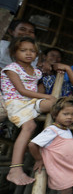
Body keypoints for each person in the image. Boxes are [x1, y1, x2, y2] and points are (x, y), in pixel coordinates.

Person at [1, 37, 56, 185]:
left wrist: (49, 99)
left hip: (30, 102)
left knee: (56, 105)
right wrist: (46, 96)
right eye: (23, 50)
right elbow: (22, 90)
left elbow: (35, 89)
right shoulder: (12, 68)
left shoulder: (35, 71)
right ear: (14, 52)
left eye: (32, 51)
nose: (28, 54)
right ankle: (15, 170)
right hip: (16, 103)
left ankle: (52, 143)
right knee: (30, 126)